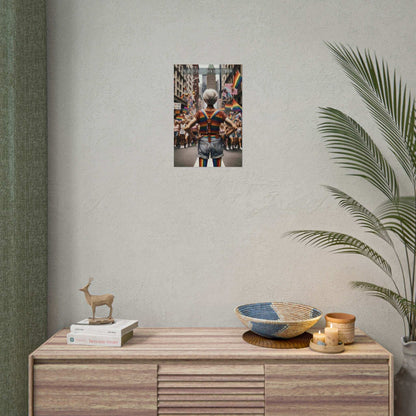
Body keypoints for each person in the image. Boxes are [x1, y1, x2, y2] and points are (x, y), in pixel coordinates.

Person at [185, 89, 237, 167]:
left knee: (202, 166)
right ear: (216, 100)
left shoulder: (200, 113)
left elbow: (187, 127)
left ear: (205, 100)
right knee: (217, 166)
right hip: (216, 140)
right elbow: (234, 127)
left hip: (203, 140)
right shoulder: (220, 113)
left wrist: (194, 137)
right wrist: (225, 135)